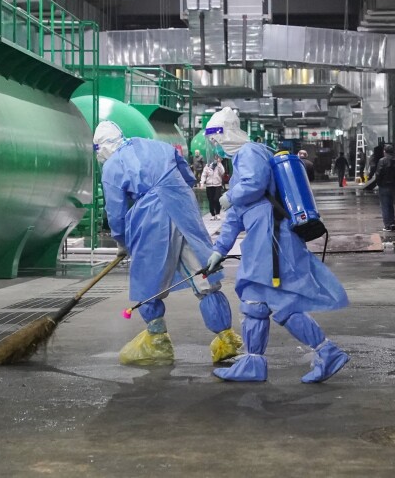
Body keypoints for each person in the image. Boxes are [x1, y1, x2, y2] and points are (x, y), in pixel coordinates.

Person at [203, 108, 350, 383]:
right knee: (259, 300)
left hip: (271, 238)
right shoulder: (241, 160)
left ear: (229, 131)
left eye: (218, 135)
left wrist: (230, 195)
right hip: (265, 238)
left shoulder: (250, 153)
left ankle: (323, 352)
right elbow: (236, 215)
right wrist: (219, 250)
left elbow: (254, 185)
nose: (217, 143)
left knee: (269, 299)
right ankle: (257, 361)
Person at [93, 121, 242, 366]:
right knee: (201, 272)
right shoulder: (154, 145)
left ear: (101, 147)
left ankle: (156, 341)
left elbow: (116, 213)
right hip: (182, 204)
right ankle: (225, 338)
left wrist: (122, 241)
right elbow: (187, 174)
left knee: (147, 278)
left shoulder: (111, 167)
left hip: (152, 216)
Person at [375, 144, 395, 232]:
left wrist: (379, 183)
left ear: (385, 151)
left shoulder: (382, 161)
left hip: (384, 186)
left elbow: (378, 174)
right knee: (390, 205)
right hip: (393, 187)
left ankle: (387, 225)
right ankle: (392, 223)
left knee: (385, 206)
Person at [201, 155, 227, 220]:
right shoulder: (207, 166)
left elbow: (222, 172)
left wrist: (219, 164)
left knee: (217, 199)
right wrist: (202, 183)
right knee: (211, 200)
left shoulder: (219, 165)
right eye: (215, 158)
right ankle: (212, 214)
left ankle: (218, 213)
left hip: (217, 185)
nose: (216, 159)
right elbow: (204, 175)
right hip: (209, 185)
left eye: (217, 158)